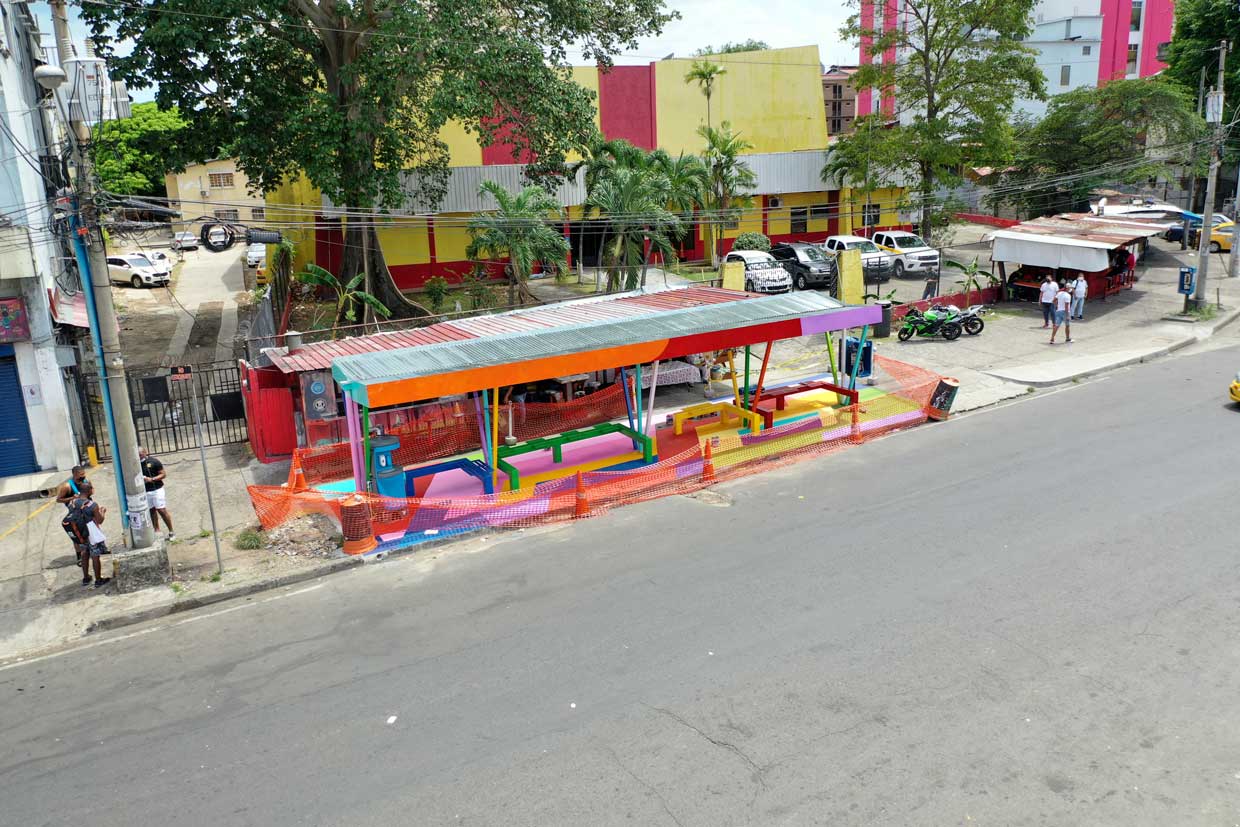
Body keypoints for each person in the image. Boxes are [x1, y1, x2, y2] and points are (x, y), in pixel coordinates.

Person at [64, 481, 110, 588]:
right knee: (95, 556)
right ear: (89, 491)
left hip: (79, 532)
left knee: (84, 553)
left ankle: (86, 578)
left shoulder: (73, 502)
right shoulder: (92, 505)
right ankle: (98, 580)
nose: (93, 490)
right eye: (92, 489)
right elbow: (99, 520)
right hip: (91, 532)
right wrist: (102, 511)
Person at [139, 447, 175, 541]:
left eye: (141, 454)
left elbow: (163, 474)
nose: (139, 456)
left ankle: (171, 531)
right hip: (145, 491)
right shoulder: (136, 464)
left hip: (157, 489)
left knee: (161, 510)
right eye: (138, 454)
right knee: (151, 511)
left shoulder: (154, 462)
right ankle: (157, 530)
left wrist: (152, 479)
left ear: (145, 452)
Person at [56, 465, 89, 562]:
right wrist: (72, 498)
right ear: (74, 474)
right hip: (76, 516)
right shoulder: (67, 486)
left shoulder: (86, 481)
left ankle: (95, 550)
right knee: (77, 536)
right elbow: (58, 500)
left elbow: (92, 490)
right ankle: (79, 557)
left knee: (91, 532)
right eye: (81, 474)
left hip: (87, 512)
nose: (83, 476)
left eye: (84, 473)